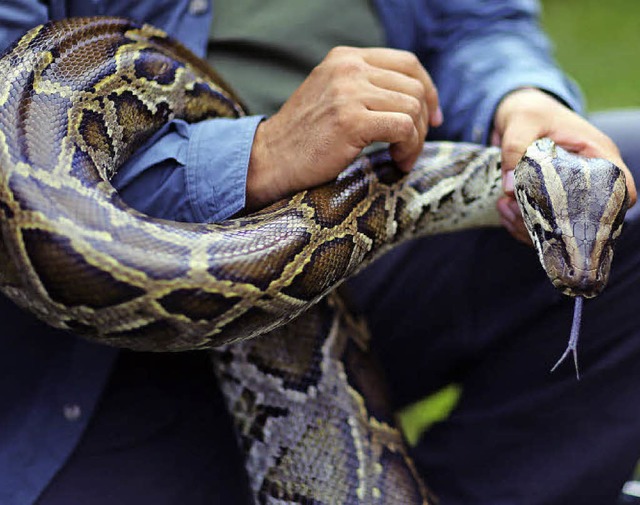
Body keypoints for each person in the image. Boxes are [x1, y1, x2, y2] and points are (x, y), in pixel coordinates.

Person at [0, 1, 639, 504]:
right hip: (93, 342)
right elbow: (19, 146)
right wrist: (264, 154)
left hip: (347, 232)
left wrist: (520, 98)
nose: (580, 274)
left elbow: (479, 23)